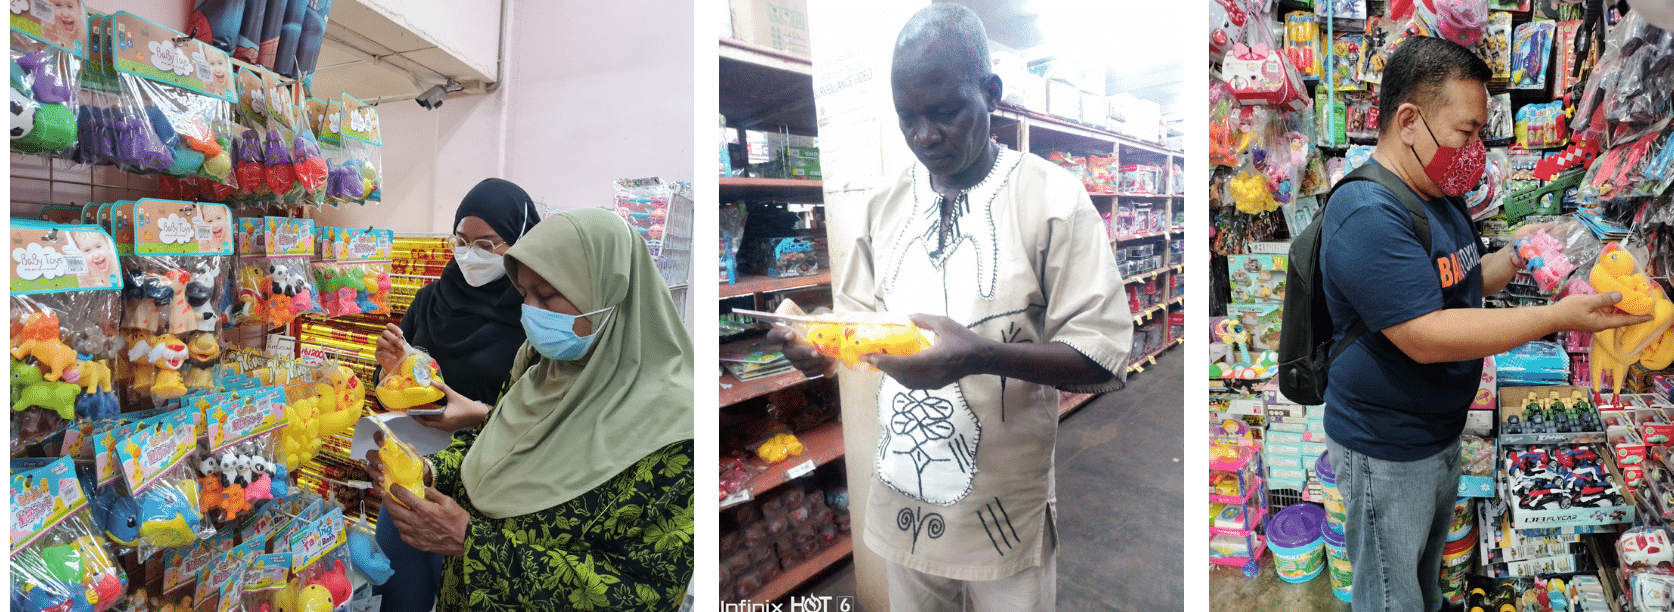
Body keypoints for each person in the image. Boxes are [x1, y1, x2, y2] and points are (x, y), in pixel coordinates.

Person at [769, 5, 1130, 610]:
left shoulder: (1052, 200)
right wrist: (813, 349)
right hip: (900, 499)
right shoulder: (883, 208)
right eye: (907, 117)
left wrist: (982, 357)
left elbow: (1104, 358)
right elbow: (849, 331)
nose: (924, 136)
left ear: (991, 93)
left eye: (945, 112)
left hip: (1002, 511)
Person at [1318, 36, 1648, 612]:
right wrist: (1558, 316)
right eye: (1467, 133)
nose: (1477, 149)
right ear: (1409, 121)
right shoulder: (1367, 214)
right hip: (1386, 447)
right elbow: (1424, 336)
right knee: (1389, 595)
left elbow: (1461, 281)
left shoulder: (1437, 193)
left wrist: (1518, 255)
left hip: (1436, 434)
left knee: (1421, 577)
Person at [365, 208, 695, 611]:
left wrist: (475, 545)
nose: (531, 313)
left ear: (608, 292)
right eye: (524, 296)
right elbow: (489, 442)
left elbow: (646, 595)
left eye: (548, 295)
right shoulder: (538, 365)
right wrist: (431, 470)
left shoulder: (677, 432)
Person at [369, 178, 540, 612]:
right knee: (400, 594)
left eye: (487, 245)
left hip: (490, 492)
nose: (469, 255)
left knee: (458, 596)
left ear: (519, 243)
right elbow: (388, 389)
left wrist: (479, 414)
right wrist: (389, 372)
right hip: (414, 471)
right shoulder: (430, 301)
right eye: (461, 241)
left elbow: (543, 414)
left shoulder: (536, 317)